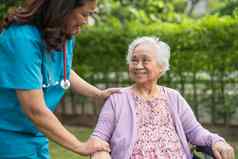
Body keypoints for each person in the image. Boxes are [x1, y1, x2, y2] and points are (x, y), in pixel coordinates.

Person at [0, 0, 120, 158]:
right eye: (84, 14)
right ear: (63, 8)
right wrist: (80, 146)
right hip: (7, 135)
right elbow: (34, 109)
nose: (86, 22)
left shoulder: (63, 33)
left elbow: (62, 71)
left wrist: (97, 94)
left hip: (36, 133)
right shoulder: (22, 38)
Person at [90, 37, 235, 159]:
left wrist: (217, 141)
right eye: (134, 60)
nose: (138, 65)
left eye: (145, 60)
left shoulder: (173, 97)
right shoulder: (117, 99)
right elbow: (99, 138)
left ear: (161, 67)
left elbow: (195, 131)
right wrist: (100, 152)